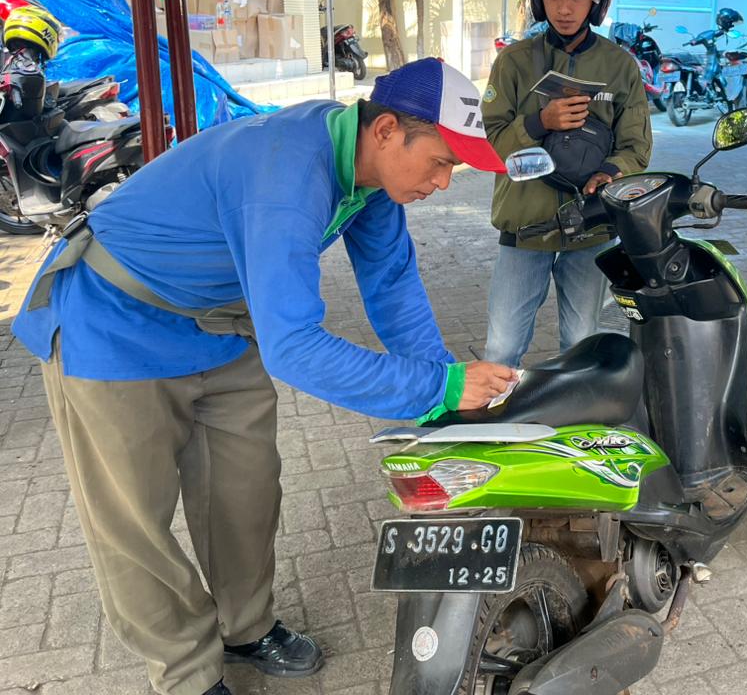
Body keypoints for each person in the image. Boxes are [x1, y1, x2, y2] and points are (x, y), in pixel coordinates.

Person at [12, 58, 518, 695]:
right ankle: (188, 673)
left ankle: (247, 629)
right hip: (114, 326)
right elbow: (295, 349)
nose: (446, 183)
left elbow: (392, 288)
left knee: (245, 492)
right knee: (134, 523)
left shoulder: (369, 180)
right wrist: (434, 390)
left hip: (218, 328)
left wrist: (446, 393)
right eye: (443, 162)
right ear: (387, 130)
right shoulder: (287, 173)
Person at [481, 0, 652, 367]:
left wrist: (610, 173)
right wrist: (541, 122)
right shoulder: (513, 62)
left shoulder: (620, 67)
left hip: (590, 229)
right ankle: (498, 428)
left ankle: (572, 428)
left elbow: (636, 145)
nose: (564, 8)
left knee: (580, 345)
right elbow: (494, 141)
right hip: (524, 227)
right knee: (503, 348)